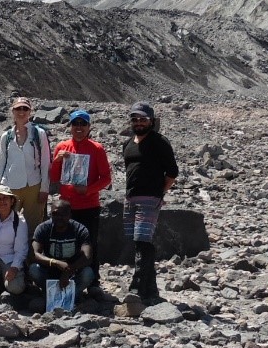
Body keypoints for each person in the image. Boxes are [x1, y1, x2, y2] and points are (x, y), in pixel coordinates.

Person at [49, 109, 112, 298]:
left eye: (83, 124)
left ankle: (93, 282)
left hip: (89, 205)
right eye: (75, 124)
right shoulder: (62, 146)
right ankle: (63, 276)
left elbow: (106, 178)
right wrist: (58, 161)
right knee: (65, 242)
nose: (79, 127)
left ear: (89, 127)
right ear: (70, 126)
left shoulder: (97, 148)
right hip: (65, 207)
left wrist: (89, 190)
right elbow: (53, 177)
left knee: (90, 244)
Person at [122, 102, 179, 303]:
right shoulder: (128, 144)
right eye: (135, 119)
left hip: (149, 199)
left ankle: (137, 287)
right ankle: (151, 290)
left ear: (151, 121)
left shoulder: (160, 142)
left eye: (143, 119)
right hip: (130, 199)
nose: (139, 123)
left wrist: (158, 193)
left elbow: (172, 172)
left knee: (142, 241)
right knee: (138, 242)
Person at [0, 97, 51, 233]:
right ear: (13, 111)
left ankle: (31, 254)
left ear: (30, 112)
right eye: (18, 108)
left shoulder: (39, 134)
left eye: (25, 109)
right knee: (8, 224)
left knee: (33, 226)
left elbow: (46, 162)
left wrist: (44, 188)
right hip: (10, 187)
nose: (21, 112)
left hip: (34, 186)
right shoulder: (6, 137)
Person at [28, 200, 95, 301]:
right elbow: (34, 254)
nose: (59, 217)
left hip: (72, 273)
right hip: (49, 271)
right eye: (55, 214)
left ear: (70, 215)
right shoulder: (43, 228)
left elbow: (88, 257)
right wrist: (55, 262)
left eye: (63, 214)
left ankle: (68, 295)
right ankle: (53, 293)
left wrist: (68, 271)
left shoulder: (80, 229)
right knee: (34, 269)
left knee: (88, 273)